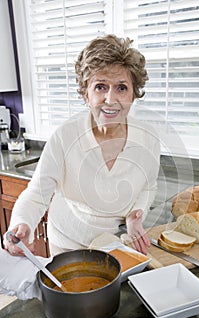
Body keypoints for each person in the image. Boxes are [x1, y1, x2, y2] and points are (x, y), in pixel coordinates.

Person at [4, 34, 160, 257]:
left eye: (122, 88)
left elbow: (148, 186)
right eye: (100, 87)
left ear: (134, 94)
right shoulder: (65, 137)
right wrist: (21, 223)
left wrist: (136, 215)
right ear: (86, 93)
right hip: (67, 244)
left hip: (116, 245)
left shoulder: (148, 139)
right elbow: (37, 193)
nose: (110, 98)